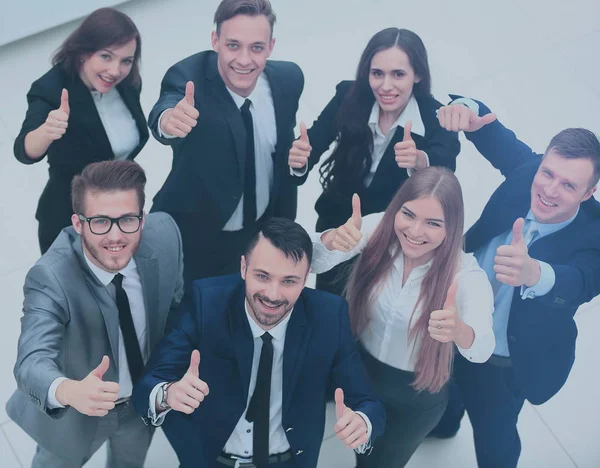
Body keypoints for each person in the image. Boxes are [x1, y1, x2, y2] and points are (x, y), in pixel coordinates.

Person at [132, 218, 386, 468]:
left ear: (307, 276)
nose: (273, 295)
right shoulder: (205, 301)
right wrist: (169, 394)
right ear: (243, 268)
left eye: (289, 281)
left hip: (290, 461)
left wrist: (362, 423)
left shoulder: (329, 316)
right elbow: (148, 386)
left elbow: (368, 402)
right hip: (209, 460)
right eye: (262, 276)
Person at [430, 98, 600, 467]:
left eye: (569, 185)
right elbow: (487, 126)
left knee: (495, 440)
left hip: (502, 362)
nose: (550, 190)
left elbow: (581, 281)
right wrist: (465, 106)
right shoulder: (528, 169)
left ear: (589, 193)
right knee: (445, 390)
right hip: (455, 321)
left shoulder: (595, 234)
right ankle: (443, 426)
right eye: (548, 174)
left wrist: (535, 274)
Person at [311, 167, 495, 467]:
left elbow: (483, 347)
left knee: (380, 462)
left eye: (433, 223)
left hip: (414, 395)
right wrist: (332, 239)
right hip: (361, 372)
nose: (415, 231)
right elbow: (314, 262)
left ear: (452, 227)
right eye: (408, 214)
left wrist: (459, 331)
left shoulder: (467, 275)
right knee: (358, 448)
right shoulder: (380, 229)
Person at [6, 160, 184, 468]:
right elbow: (31, 360)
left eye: (127, 219)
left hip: (139, 406)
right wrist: (68, 390)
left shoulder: (166, 234)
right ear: (78, 224)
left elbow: (177, 308)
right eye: (100, 221)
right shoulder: (50, 277)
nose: (115, 237)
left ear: (142, 218)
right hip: (73, 413)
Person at [288, 28, 459, 296]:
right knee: (328, 305)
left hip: (394, 240)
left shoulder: (436, 116)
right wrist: (300, 159)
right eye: (377, 73)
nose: (385, 86)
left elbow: (445, 166)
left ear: (418, 74)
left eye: (398, 74)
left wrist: (419, 160)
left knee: (369, 317)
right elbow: (314, 142)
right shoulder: (349, 95)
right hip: (339, 225)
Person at [148, 0, 303, 285]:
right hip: (197, 239)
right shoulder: (187, 76)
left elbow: (282, 153)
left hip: (260, 238)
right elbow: (167, 107)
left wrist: (298, 164)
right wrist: (168, 121)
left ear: (270, 46)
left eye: (256, 47)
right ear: (215, 40)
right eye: (233, 45)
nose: (244, 60)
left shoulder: (288, 80)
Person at [13, 7, 149, 254]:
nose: (115, 70)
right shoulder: (51, 88)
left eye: (126, 61)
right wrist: (46, 131)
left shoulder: (127, 83)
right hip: (69, 220)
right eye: (106, 57)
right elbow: (24, 149)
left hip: (120, 214)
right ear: (84, 51)